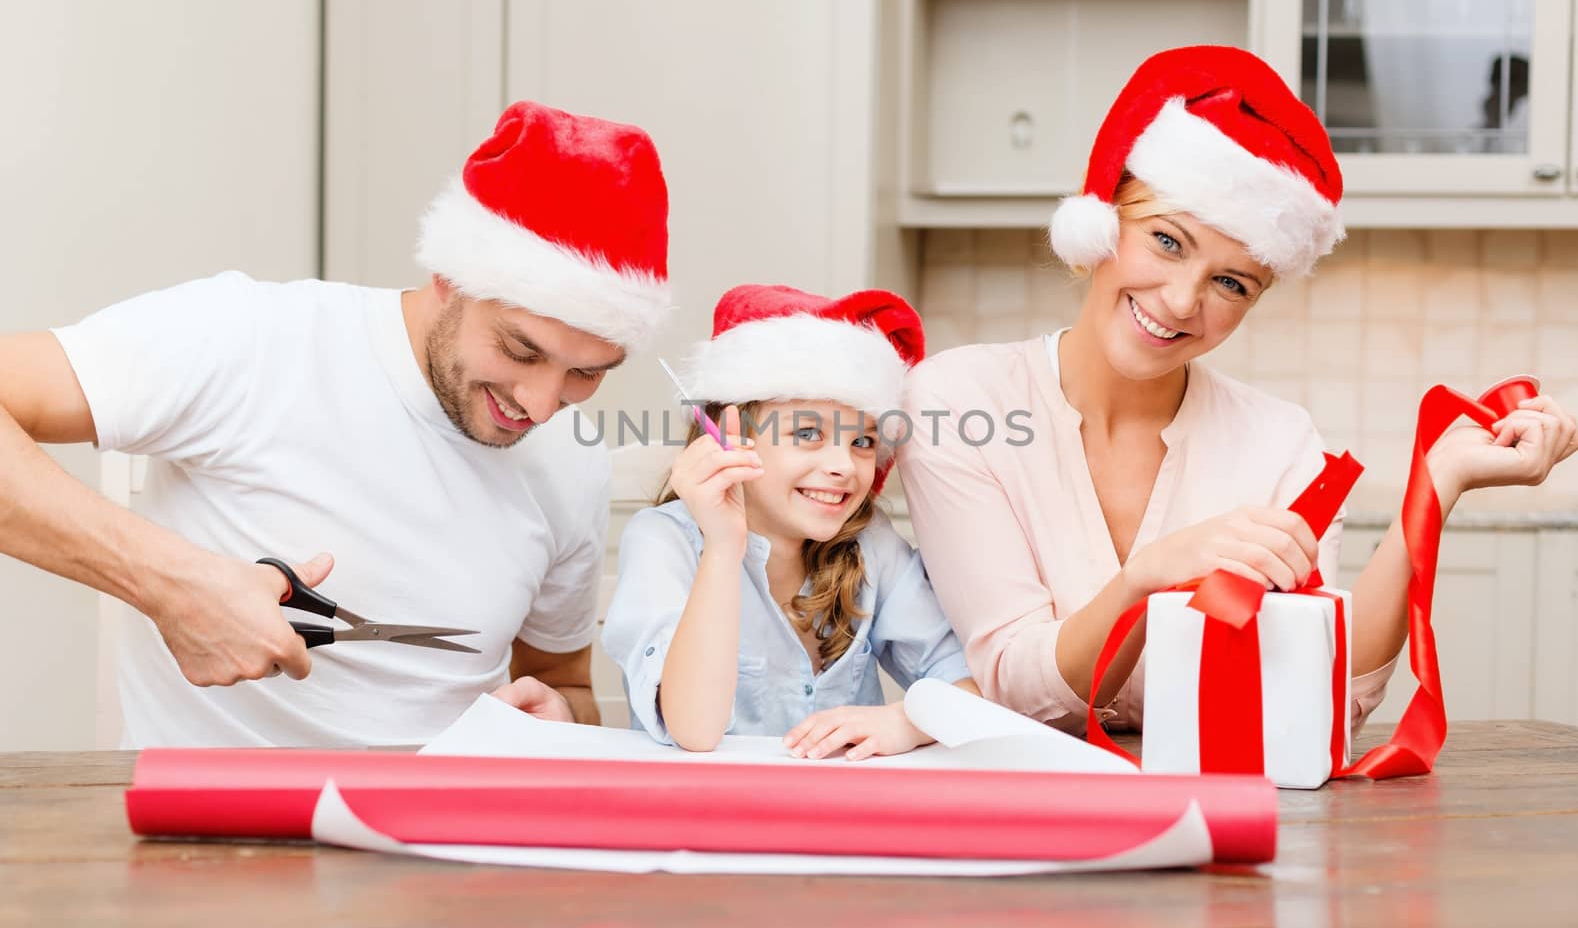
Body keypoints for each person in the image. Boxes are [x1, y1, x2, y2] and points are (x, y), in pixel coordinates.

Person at [897, 45, 1578, 737]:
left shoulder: (1280, 444)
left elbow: (1323, 690)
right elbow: (1016, 684)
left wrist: (1439, 481)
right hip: (1023, 814)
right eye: (1167, 241)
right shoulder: (958, 404)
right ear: (1107, 220)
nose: (1182, 300)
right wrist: (1149, 575)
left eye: (1231, 282)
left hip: (1223, 814)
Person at [0, 100, 671, 746]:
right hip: (204, 846)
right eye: (520, 349)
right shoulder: (250, 339)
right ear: (448, 277)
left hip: (440, 846)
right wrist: (167, 582)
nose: (543, 405)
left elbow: (560, 680)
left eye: (587, 372)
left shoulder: (572, 461)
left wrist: (557, 714)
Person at [603, 285, 976, 759]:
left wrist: (907, 722)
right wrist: (722, 548)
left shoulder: (870, 544)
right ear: (728, 436)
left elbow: (968, 683)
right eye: (807, 433)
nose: (844, 465)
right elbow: (694, 731)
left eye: (862, 441)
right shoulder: (664, 541)